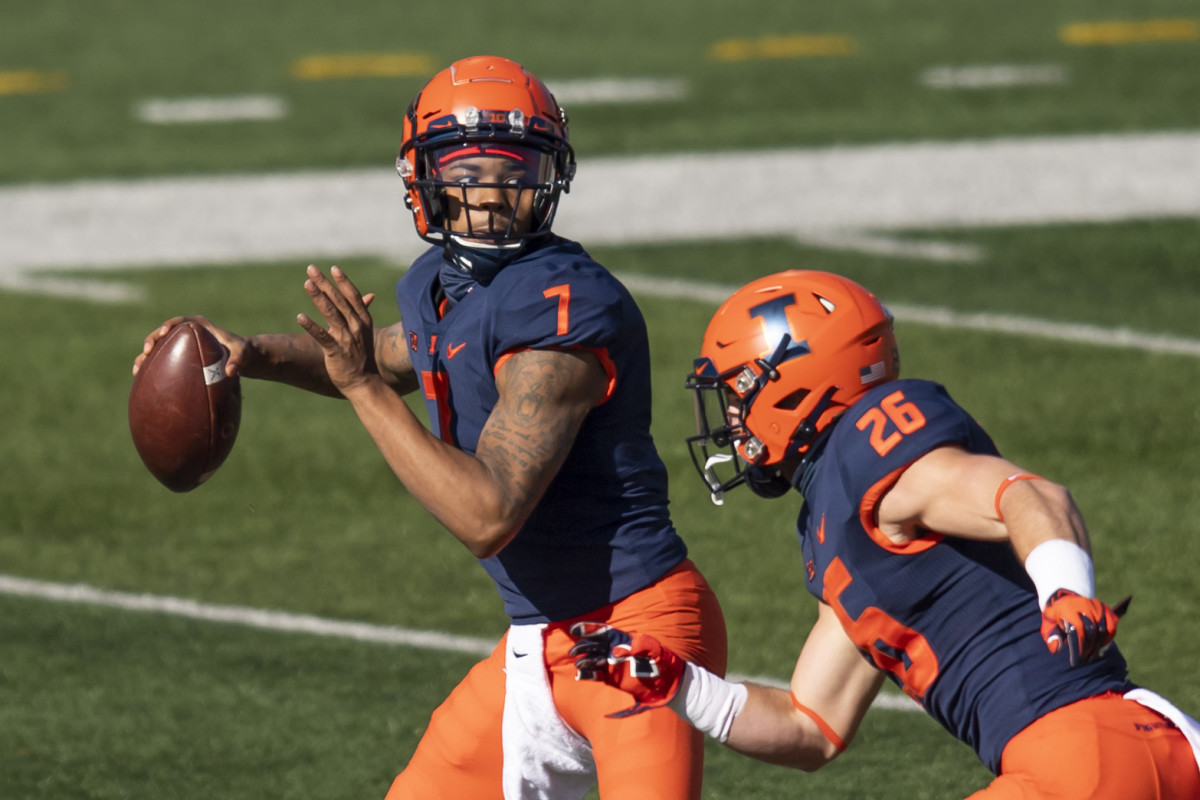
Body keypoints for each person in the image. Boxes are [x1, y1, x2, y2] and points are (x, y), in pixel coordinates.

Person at [133, 55, 726, 799]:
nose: (491, 192)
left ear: (548, 177)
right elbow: (380, 357)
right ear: (423, 177)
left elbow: (488, 514)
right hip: (536, 643)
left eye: (514, 171)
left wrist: (360, 389)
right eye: (468, 170)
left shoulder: (565, 310)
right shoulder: (435, 286)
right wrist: (248, 354)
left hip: (639, 632)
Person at [569, 270, 1200, 799]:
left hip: (1085, 751)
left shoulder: (873, 449)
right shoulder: (833, 524)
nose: (731, 422)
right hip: (1121, 752)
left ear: (792, 386)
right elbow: (810, 726)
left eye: (738, 395)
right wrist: (679, 685)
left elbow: (1028, 495)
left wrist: (1065, 590)